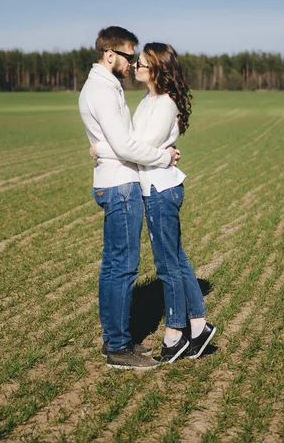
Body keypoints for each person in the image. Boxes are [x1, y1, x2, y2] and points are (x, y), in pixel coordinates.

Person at [94, 42, 216, 363]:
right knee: (176, 257)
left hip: (161, 190)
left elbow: (140, 146)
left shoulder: (164, 104)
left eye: (142, 64)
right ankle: (199, 326)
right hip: (155, 187)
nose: (135, 67)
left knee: (166, 264)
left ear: (156, 69)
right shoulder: (149, 100)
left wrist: (106, 149)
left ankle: (175, 334)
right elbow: (132, 143)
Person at [79, 27, 180, 370]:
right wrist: (165, 157)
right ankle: (120, 348)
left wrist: (100, 148)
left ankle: (115, 342)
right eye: (128, 55)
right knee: (122, 267)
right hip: (120, 185)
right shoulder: (103, 91)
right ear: (109, 54)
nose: (132, 62)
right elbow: (124, 146)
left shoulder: (107, 87)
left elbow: (119, 141)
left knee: (114, 265)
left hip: (116, 180)